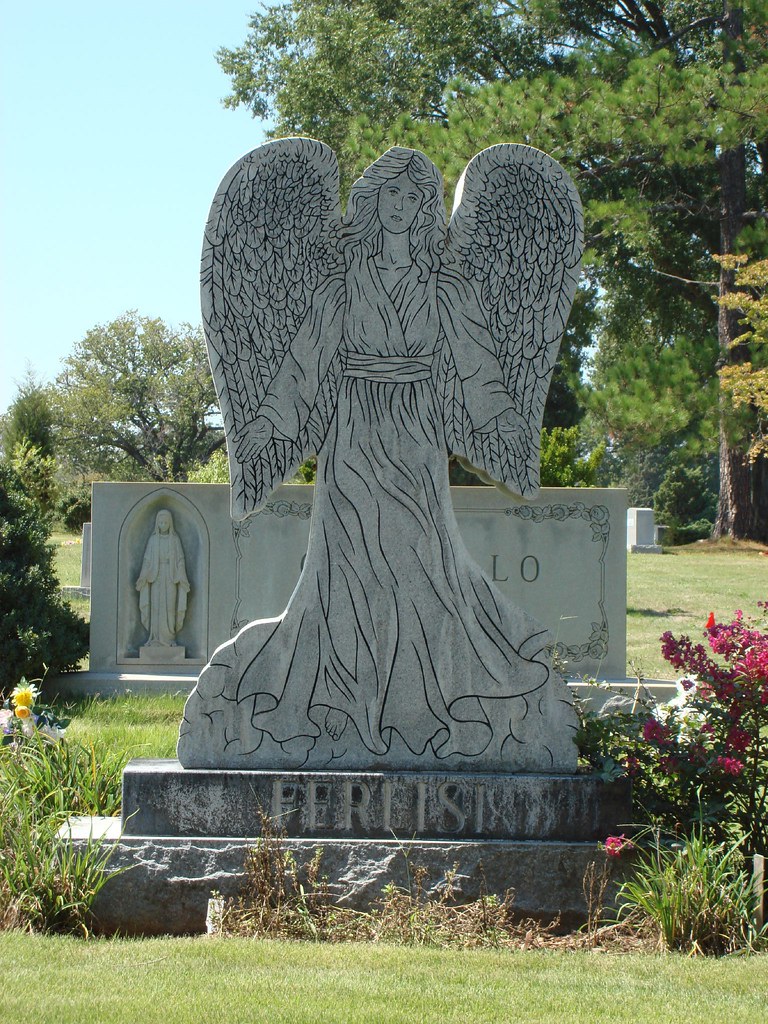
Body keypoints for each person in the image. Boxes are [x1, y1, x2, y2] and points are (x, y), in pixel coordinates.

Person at [180, 149, 552, 767]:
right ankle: (343, 708)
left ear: (425, 208)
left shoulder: (444, 287)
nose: (400, 208)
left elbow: (477, 363)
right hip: (352, 435)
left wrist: (503, 422)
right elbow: (303, 364)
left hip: (416, 434)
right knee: (347, 567)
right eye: (390, 196)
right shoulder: (341, 286)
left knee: (423, 565)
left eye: (412, 198)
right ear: (371, 202)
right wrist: (268, 425)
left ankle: (433, 710)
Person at [136, 509, 190, 647]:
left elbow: (180, 560)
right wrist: (143, 576)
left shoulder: (175, 540)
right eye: (160, 522)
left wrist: (181, 574)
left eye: (165, 522)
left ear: (170, 523)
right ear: (157, 523)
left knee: (170, 608)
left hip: (171, 577)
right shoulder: (153, 540)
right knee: (156, 608)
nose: (163, 524)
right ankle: (155, 638)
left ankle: (170, 638)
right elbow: (147, 560)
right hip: (156, 577)